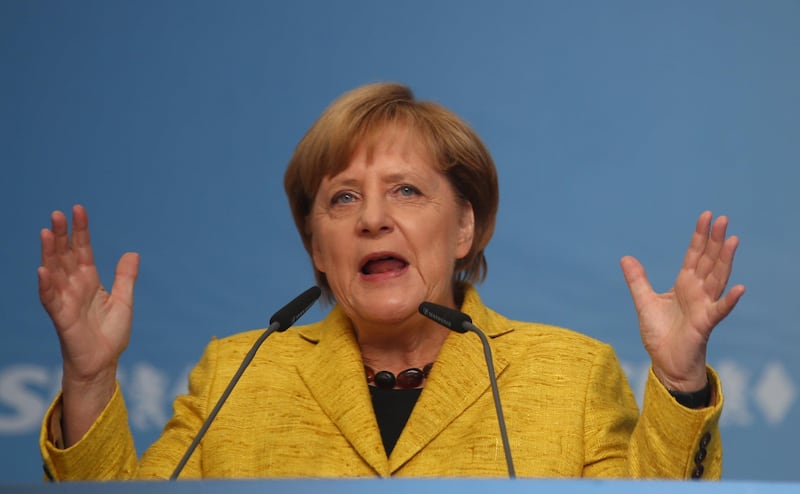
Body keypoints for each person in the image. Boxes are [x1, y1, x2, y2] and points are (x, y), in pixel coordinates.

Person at [38, 82, 744, 480]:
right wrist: (91, 381)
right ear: (317, 244)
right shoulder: (238, 377)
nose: (372, 219)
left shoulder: (570, 373)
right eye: (343, 198)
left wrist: (681, 384)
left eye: (406, 191)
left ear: (464, 228)